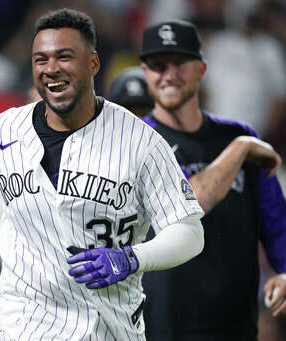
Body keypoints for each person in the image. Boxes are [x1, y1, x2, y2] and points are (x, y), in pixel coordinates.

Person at [0, 9, 206, 340]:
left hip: (107, 329)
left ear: (93, 63)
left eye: (65, 57)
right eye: (41, 59)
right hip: (25, 327)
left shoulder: (140, 141)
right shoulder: (1, 130)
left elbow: (189, 232)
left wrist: (132, 257)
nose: (51, 68)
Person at [138, 20, 286, 341]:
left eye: (180, 63)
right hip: (162, 324)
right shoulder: (137, 141)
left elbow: (276, 222)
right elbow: (189, 203)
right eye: (158, 65)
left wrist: (285, 270)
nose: (169, 75)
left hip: (235, 321)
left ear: (202, 69)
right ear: (145, 73)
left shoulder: (238, 133)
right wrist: (241, 150)